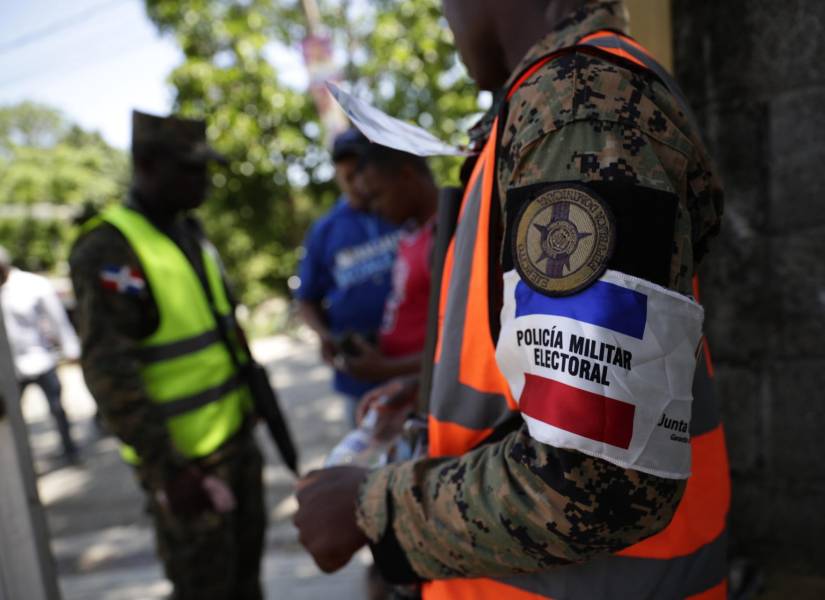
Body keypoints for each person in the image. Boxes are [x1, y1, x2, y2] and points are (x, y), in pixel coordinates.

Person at [294, 1, 730, 599]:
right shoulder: (548, 106)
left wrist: (371, 507)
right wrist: (435, 398)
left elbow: (594, 480)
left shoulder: (577, 107)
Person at [69, 110, 265, 600]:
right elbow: (110, 376)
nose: (204, 181)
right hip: (188, 471)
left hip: (236, 449)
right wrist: (170, 472)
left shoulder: (189, 232)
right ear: (147, 164)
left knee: (246, 586)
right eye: (190, 169)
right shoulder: (108, 249)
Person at [295, 129, 401, 427]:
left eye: (360, 171)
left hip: (413, 361)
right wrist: (325, 336)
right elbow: (306, 299)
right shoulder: (325, 230)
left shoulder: (398, 207)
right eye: (346, 174)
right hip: (360, 375)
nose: (356, 181)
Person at [342, 144, 438, 387]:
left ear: (406, 176)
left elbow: (466, 345)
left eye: (376, 195)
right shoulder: (411, 232)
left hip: (433, 386)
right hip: (413, 381)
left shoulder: (445, 235)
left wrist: (384, 369)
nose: (374, 209)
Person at [0, 246, 80, 462]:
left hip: (41, 359)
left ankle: (70, 450)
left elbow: (57, 319)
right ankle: (22, 460)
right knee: (12, 417)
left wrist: (70, 348)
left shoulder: (32, 285)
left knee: (57, 408)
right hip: (12, 368)